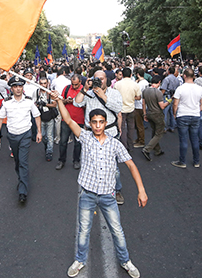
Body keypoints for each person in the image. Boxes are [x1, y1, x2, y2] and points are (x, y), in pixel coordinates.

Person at [51, 91, 148, 278]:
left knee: (117, 232)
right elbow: (69, 120)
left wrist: (141, 190)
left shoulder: (115, 144)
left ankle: (125, 261)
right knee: (83, 230)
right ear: (90, 123)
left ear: (105, 123)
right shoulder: (85, 138)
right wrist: (59, 101)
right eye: (94, 122)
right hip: (87, 194)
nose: (97, 125)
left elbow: (131, 165)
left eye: (100, 122)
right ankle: (80, 260)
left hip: (108, 196)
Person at [74, 70, 126, 205]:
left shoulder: (114, 93)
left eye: (101, 79)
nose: (99, 81)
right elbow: (77, 103)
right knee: (90, 162)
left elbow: (118, 107)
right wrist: (84, 88)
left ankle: (117, 190)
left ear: (106, 80)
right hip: (91, 134)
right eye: (96, 78)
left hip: (110, 134)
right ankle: (91, 189)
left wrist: (103, 96)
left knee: (113, 167)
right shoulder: (89, 93)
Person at [0, 76, 42, 203]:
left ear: (23, 87)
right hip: (12, 135)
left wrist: (38, 132)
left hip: (25, 134)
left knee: (23, 162)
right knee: (17, 161)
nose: (18, 89)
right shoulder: (6, 102)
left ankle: (23, 192)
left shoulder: (28, 101)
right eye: (15, 86)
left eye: (20, 86)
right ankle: (21, 179)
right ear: (11, 88)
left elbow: (37, 116)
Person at [171, 68, 202, 169]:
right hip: (195, 115)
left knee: (183, 139)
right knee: (194, 139)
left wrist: (174, 114)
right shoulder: (200, 88)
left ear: (184, 76)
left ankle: (182, 161)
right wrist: (197, 110)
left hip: (182, 115)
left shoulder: (180, 89)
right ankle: (196, 161)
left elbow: (175, 104)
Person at [56, 74, 84, 170]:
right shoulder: (67, 88)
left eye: (76, 84)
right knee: (63, 141)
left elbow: (88, 105)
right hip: (66, 120)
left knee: (78, 143)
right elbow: (61, 101)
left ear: (80, 82)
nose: (74, 86)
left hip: (79, 120)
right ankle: (61, 160)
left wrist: (78, 102)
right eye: (73, 84)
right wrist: (66, 101)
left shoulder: (84, 90)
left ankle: (76, 160)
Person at [141, 75, 169, 161]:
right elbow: (162, 106)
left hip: (149, 113)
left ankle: (157, 150)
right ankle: (147, 149)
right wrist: (169, 101)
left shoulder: (145, 91)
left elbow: (143, 104)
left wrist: (144, 114)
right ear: (159, 82)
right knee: (159, 133)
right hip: (157, 114)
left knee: (155, 131)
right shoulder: (158, 92)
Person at [35, 77, 57, 161]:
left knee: (50, 136)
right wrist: (38, 104)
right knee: (43, 135)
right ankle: (47, 146)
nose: (43, 85)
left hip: (49, 117)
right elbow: (34, 103)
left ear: (47, 84)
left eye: (45, 83)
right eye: (41, 83)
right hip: (40, 117)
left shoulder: (50, 93)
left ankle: (49, 152)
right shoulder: (37, 92)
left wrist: (45, 104)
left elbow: (54, 105)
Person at [160, 66, 180, 132]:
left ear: (168, 71)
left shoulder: (166, 79)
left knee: (165, 112)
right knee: (172, 112)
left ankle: (164, 127)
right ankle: (172, 126)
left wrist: (160, 96)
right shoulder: (177, 79)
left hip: (167, 96)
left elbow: (163, 89)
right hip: (174, 95)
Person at [133, 68, 149, 148]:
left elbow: (135, 93)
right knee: (138, 124)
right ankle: (139, 138)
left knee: (139, 125)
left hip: (138, 105)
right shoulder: (146, 82)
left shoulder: (139, 84)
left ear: (137, 74)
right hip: (143, 105)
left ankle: (141, 141)